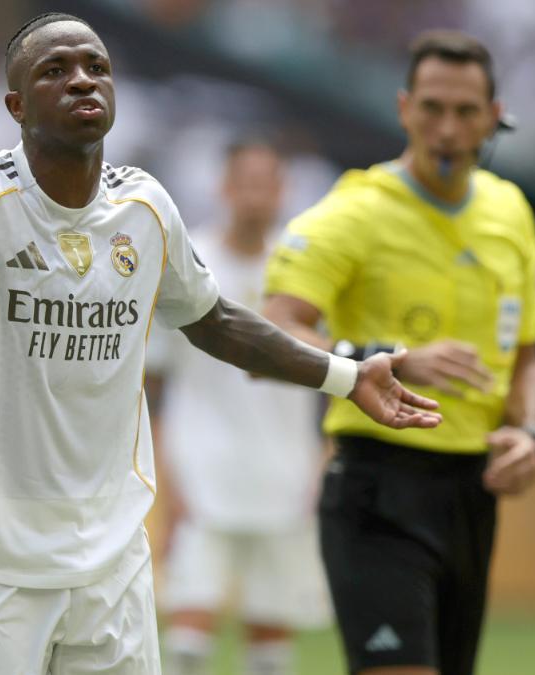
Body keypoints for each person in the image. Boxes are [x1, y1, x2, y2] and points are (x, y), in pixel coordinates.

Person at [0, 13, 440, 674]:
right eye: (55, 70)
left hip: (112, 562)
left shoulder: (146, 205)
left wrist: (346, 376)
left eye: (96, 67)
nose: (82, 79)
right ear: (16, 106)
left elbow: (217, 321)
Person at [263, 30, 535, 675]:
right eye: (432, 108)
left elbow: (528, 355)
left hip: (473, 491)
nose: (447, 129)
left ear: (494, 117)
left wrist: (531, 432)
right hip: (377, 486)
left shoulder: (510, 213)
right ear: (403, 109)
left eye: (465, 112)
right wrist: (380, 357)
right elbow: (272, 331)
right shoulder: (353, 213)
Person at [152, 139, 329, 675]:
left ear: (283, 190)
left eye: (266, 183)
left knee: (271, 640)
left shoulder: (303, 271)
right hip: (202, 471)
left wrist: (321, 463)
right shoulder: (188, 263)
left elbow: (332, 374)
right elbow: (152, 384)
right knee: (189, 636)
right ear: (224, 188)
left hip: (285, 473)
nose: (255, 196)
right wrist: (166, 479)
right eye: (245, 182)